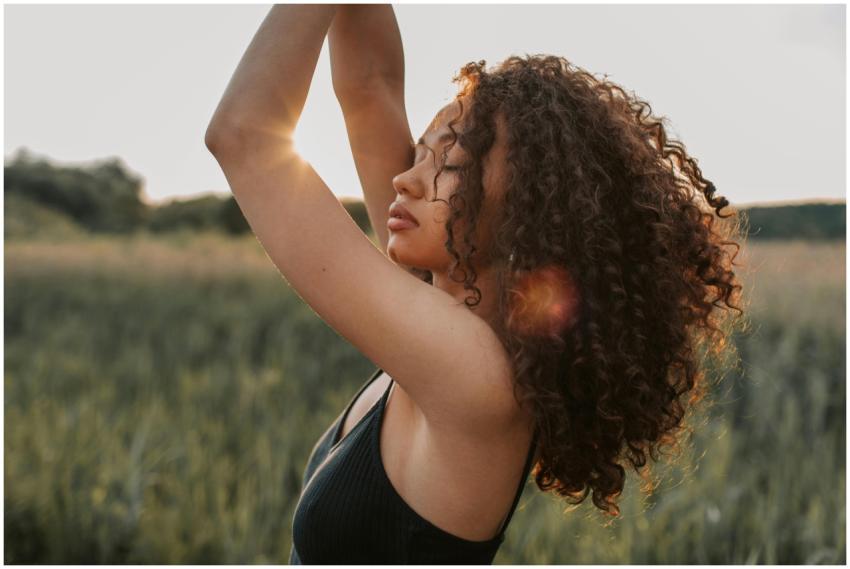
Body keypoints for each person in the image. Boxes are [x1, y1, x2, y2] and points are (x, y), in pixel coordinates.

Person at [205, 5, 747, 564]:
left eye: (451, 165)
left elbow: (245, 135)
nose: (405, 178)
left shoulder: (473, 374)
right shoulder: (438, 299)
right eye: (421, 152)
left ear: (528, 212)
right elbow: (370, 86)